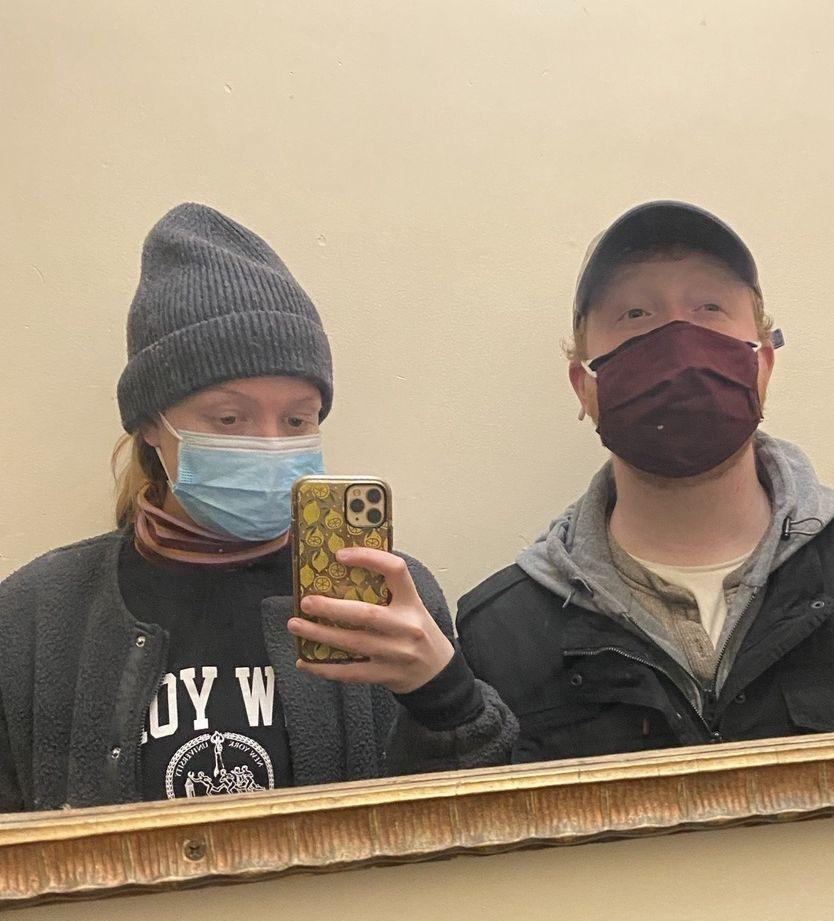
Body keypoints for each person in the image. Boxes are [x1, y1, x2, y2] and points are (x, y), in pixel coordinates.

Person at [458, 201, 834, 762]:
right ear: (584, 386)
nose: (678, 336)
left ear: (763, 365)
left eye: (709, 307)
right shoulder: (503, 629)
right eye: (635, 313)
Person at [0, 203, 515, 811]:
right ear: (150, 424)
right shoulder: (37, 613)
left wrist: (447, 697)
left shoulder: (386, 595)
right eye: (229, 418)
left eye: (297, 420)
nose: (270, 444)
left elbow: (471, 825)